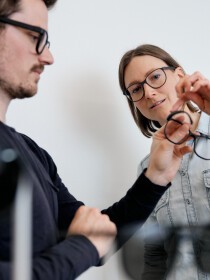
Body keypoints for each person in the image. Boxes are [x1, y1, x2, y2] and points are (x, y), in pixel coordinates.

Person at [0, 1, 194, 279]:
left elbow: (102, 237)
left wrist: (156, 178)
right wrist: (83, 247)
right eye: (35, 37)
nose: (48, 57)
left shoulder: (34, 155)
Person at [118, 43, 210, 279]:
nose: (148, 92)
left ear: (180, 75)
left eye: (155, 77)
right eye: (136, 89)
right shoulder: (147, 170)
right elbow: (154, 254)